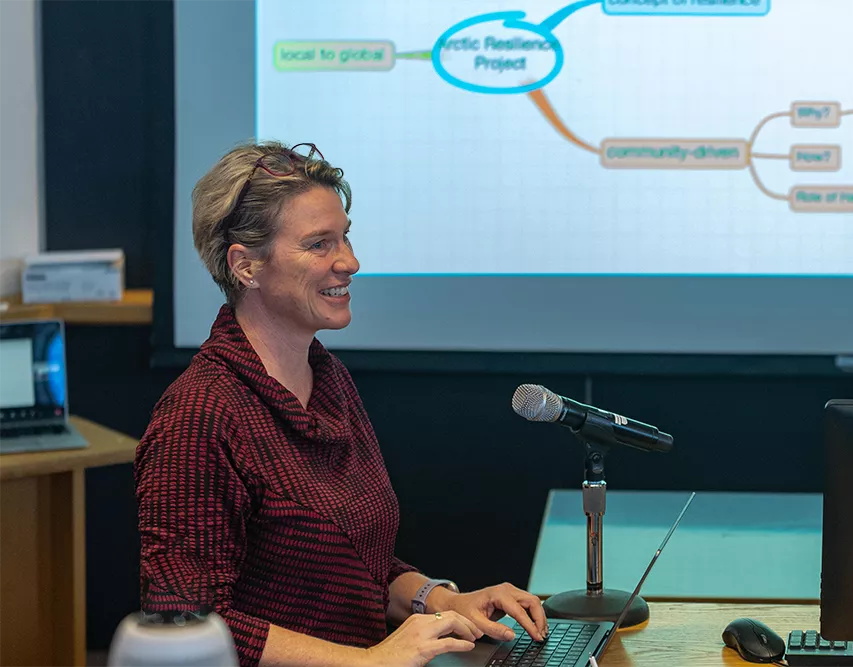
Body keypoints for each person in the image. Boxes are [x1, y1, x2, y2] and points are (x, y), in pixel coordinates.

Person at [135, 141, 548, 667]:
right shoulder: (199, 418)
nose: (349, 261)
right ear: (245, 266)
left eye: (346, 236)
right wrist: (368, 661)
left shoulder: (328, 381)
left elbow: (354, 565)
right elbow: (184, 619)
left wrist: (442, 599)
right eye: (318, 244)